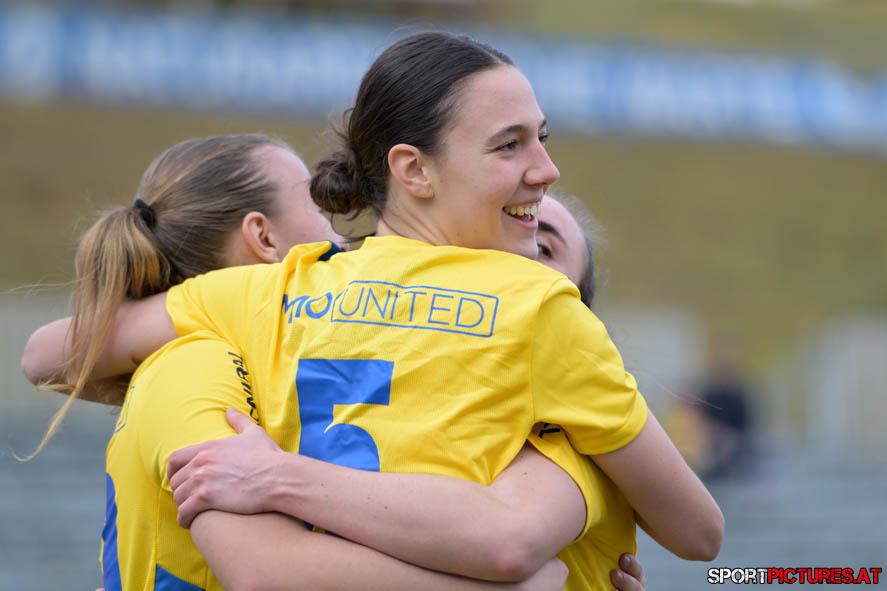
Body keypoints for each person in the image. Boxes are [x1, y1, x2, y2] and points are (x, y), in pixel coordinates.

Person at [26, 30, 723, 588]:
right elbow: (698, 534)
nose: (546, 169)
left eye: (542, 136)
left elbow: (54, 354)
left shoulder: (269, 291)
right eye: (509, 143)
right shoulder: (539, 313)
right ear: (412, 170)